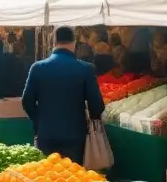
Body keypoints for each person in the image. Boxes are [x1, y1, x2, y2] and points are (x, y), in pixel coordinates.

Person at [21, 26, 105, 164]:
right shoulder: (85, 69)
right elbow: (97, 105)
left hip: (46, 134)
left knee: (47, 176)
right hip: (75, 135)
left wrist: (40, 120)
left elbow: (27, 102)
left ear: (54, 42)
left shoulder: (37, 68)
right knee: (72, 178)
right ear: (74, 42)